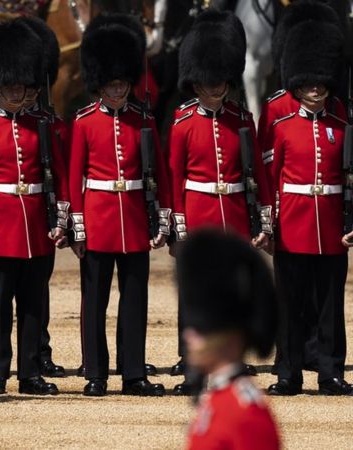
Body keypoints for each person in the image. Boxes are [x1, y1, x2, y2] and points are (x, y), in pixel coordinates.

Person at [167, 10, 273, 394]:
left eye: (221, 81)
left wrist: (263, 219)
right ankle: (190, 358)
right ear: (196, 83)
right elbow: (175, 178)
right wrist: (177, 226)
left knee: (235, 288)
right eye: (210, 82)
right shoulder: (182, 123)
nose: (217, 88)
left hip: (235, 214)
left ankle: (233, 353)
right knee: (195, 289)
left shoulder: (241, 118)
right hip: (199, 211)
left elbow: (257, 174)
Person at [0, 19, 69, 396]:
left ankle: (30, 374)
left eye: (21, 87)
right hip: (2, 223)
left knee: (32, 304)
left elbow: (61, 175)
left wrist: (61, 218)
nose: (15, 93)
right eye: (8, 87)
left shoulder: (43, 125)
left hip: (36, 223)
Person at [69, 14, 171, 397]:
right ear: (99, 85)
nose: (118, 91)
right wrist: (77, 224)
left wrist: (161, 218)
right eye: (111, 85)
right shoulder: (83, 122)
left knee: (135, 302)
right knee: (94, 303)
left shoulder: (143, 120)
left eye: (123, 84)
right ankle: (96, 372)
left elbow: (159, 172)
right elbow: (74, 177)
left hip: (134, 220)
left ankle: (133, 373)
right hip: (98, 219)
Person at [258, 0, 346, 376]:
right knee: (290, 298)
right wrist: (268, 221)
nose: (315, 88)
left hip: (328, 222)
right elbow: (269, 176)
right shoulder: (281, 117)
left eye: (321, 81)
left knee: (330, 303)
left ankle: (330, 369)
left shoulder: (340, 116)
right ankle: (289, 368)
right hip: (293, 221)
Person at [179, 231, 280, 450]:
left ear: (230, 338)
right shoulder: (218, 399)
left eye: (201, 330)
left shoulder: (245, 411)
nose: (189, 336)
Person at [14, 15, 68, 379]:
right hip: (9, 218)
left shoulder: (52, 124)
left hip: (41, 215)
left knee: (38, 290)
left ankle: (38, 350)